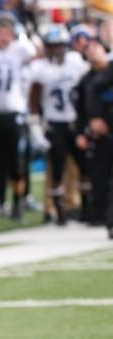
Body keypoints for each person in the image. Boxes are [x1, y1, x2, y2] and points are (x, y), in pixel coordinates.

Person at [28, 25, 90, 226]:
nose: (55, 50)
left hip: (76, 123)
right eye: (51, 46)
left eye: (59, 45)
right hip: (55, 124)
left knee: (85, 167)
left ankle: (86, 208)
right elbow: (34, 102)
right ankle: (59, 212)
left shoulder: (76, 64)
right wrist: (36, 129)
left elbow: (87, 93)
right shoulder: (40, 69)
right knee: (56, 170)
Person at [0, 12, 38, 222]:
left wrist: (23, 35)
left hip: (13, 113)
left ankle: (17, 204)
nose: (4, 37)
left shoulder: (19, 49)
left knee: (15, 163)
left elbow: (36, 52)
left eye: (8, 33)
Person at [80, 39, 113, 239]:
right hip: (107, 131)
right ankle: (106, 219)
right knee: (101, 177)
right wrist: (94, 118)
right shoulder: (97, 77)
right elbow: (93, 89)